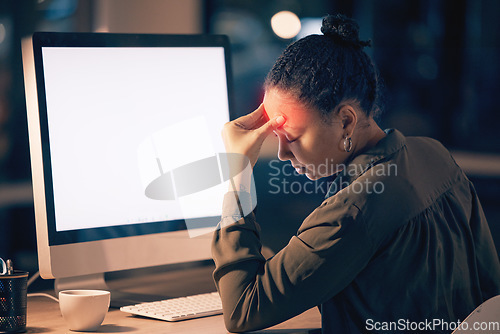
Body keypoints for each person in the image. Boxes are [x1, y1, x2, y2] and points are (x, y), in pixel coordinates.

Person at [212, 14, 500, 333]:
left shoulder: (350, 214)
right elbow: (491, 290)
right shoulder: (434, 154)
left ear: (346, 121)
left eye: (291, 137)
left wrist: (236, 177)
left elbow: (242, 311)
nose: (281, 153)